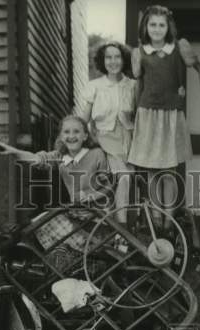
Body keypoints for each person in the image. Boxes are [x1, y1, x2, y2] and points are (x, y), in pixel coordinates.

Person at [128, 4, 200, 218]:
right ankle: (156, 219)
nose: (157, 29)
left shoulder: (179, 47)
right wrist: (133, 112)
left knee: (168, 172)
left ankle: (169, 220)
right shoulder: (139, 52)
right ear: (145, 27)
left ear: (168, 27)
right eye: (152, 25)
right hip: (147, 115)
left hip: (170, 115)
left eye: (161, 25)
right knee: (151, 172)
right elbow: (138, 84)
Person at [0, 115, 112, 207]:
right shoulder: (59, 156)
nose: (71, 136)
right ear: (61, 137)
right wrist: (13, 151)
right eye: (66, 132)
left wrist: (91, 195)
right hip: (76, 213)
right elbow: (36, 159)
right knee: (40, 224)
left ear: (85, 136)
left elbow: (108, 185)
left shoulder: (97, 154)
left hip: (99, 214)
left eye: (76, 131)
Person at [80, 41, 137, 217]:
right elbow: (84, 119)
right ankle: (115, 225)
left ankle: (123, 225)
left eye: (117, 57)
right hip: (102, 140)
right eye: (108, 57)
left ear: (124, 59)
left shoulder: (133, 85)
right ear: (102, 61)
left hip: (127, 141)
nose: (113, 61)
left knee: (126, 180)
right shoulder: (95, 86)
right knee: (114, 180)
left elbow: (141, 116)